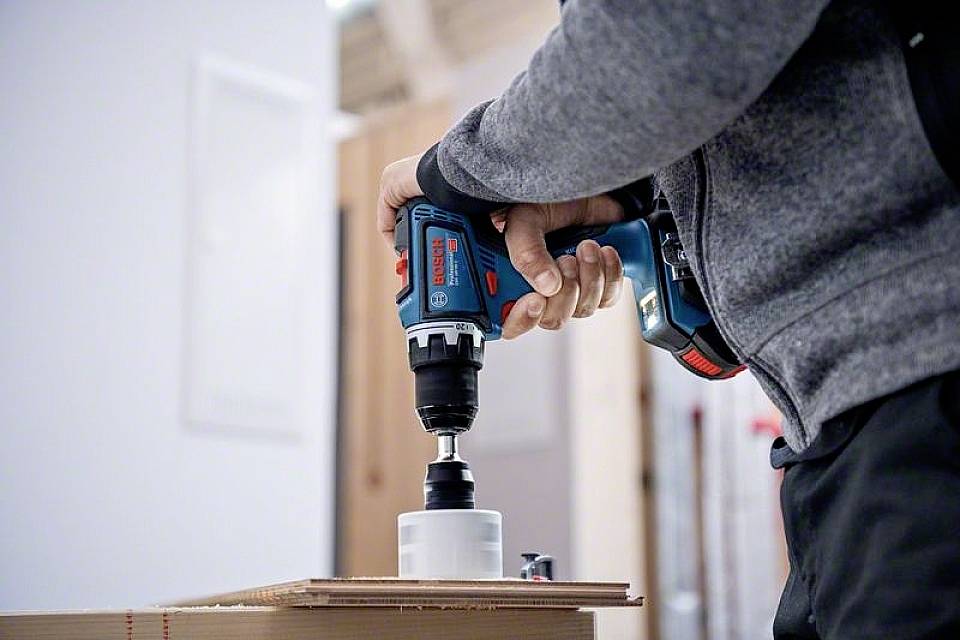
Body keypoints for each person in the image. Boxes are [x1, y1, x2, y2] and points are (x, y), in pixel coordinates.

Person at [377, 1, 960, 637]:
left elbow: (676, 29)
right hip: (838, 426)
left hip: (924, 363)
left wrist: (454, 171)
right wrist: (634, 199)